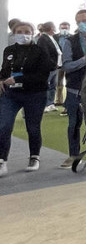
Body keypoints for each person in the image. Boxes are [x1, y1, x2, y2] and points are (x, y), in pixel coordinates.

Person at [0, 22, 55, 176]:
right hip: (11, 94)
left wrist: (20, 79)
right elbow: (5, 70)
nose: (23, 34)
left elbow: (42, 76)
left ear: (32, 33)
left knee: (33, 127)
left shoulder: (40, 51)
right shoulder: (9, 50)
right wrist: (1, 79)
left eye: (26, 31)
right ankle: (2, 160)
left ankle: (34, 157)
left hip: (34, 94)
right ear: (13, 33)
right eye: (19, 31)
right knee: (4, 126)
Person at [62, 9, 86, 167]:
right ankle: (73, 155)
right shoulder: (70, 41)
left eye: (85, 21)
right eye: (79, 22)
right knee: (73, 124)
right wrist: (85, 60)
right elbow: (67, 66)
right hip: (74, 90)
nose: (82, 24)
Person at [36, 22, 62, 112]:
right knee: (45, 86)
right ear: (51, 28)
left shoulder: (52, 37)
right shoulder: (42, 38)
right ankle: (43, 105)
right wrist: (53, 64)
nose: (55, 28)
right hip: (48, 67)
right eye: (54, 26)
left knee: (53, 86)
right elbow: (44, 54)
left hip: (56, 67)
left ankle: (50, 103)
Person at [55, 22, 72, 107]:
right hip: (58, 63)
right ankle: (59, 100)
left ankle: (68, 101)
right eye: (62, 28)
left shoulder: (73, 37)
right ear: (59, 28)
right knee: (58, 82)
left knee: (70, 82)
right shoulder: (55, 37)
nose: (64, 29)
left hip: (69, 62)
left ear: (69, 28)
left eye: (66, 28)